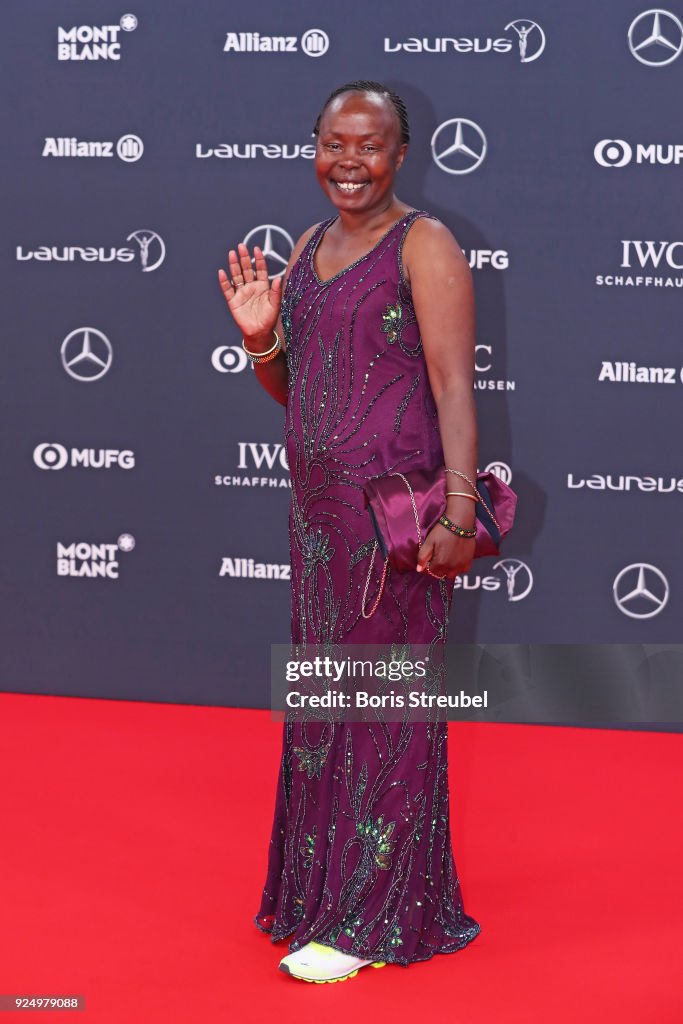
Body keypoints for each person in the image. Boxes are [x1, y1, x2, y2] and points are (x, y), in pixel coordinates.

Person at [218, 80, 481, 983]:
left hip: (393, 522)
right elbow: (304, 394)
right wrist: (262, 341)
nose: (350, 162)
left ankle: (375, 922)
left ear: (400, 153)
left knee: (386, 712)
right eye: (335, 143)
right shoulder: (309, 245)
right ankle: (319, 894)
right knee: (330, 708)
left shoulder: (427, 245)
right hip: (319, 528)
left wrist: (456, 513)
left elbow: (452, 387)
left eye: (370, 146)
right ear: (315, 147)